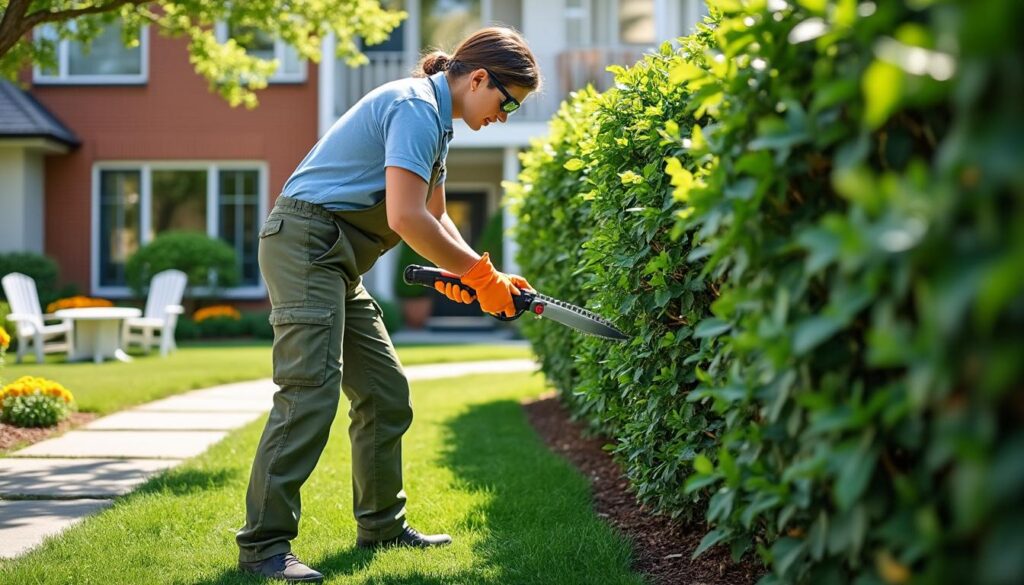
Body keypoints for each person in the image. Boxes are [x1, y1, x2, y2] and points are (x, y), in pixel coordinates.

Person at [236, 27, 542, 583]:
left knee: (384, 391)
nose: (507, 115)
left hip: (334, 256)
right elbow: (405, 218)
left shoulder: (437, 123)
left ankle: (380, 526)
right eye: (508, 101)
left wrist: (480, 276)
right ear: (478, 79)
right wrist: (475, 275)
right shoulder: (414, 108)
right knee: (309, 391)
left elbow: (437, 216)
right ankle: (263, 548)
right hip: (306, 243)